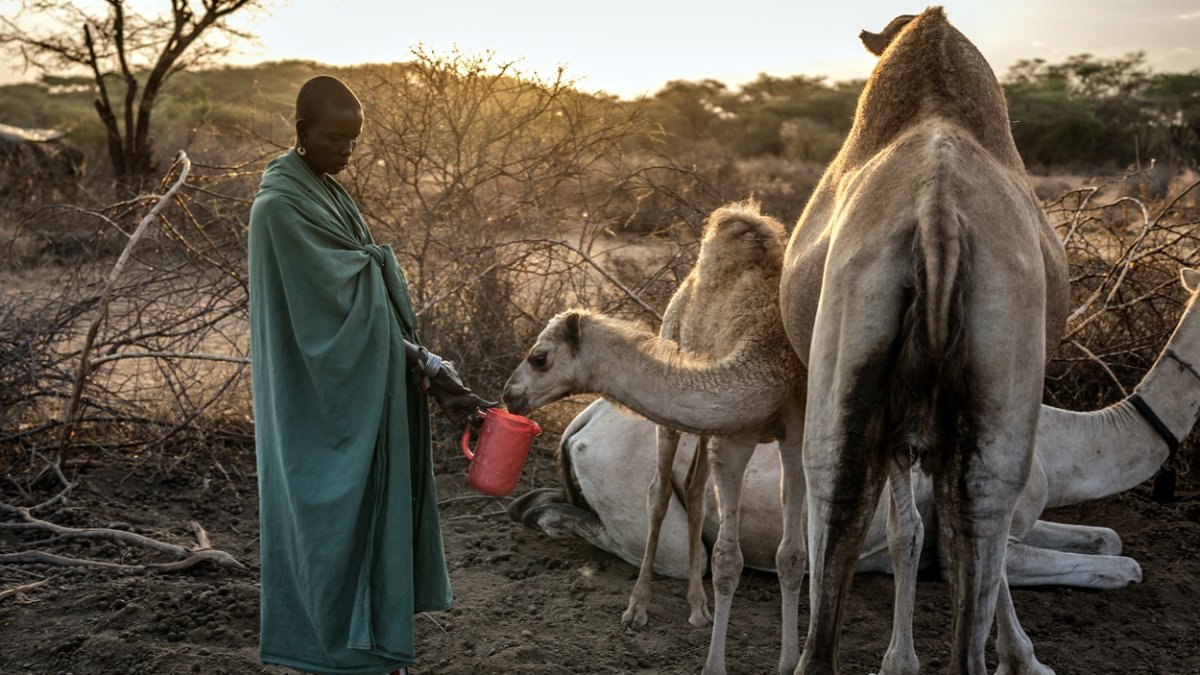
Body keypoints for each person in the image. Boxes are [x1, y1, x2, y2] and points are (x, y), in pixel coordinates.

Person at [248, 75, 494, 675]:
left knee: (368, 511)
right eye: (337, 139)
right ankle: (337, 658)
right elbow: (333, 316)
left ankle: (376, 650)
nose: (348, 151)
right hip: (319, 401)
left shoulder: (327, 192)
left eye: (355, 140)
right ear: (302, 132)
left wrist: (426, 364)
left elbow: (363, 300)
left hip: (361, 387)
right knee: (329, 518)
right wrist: (425, 364)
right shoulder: (279, 208)